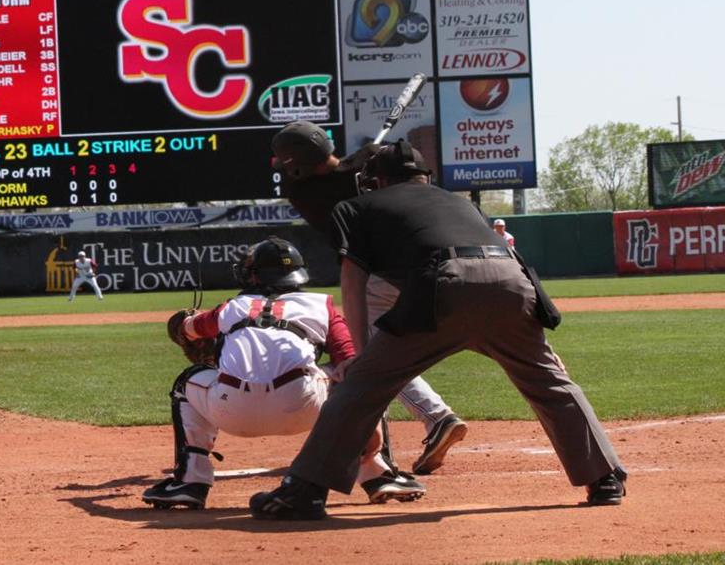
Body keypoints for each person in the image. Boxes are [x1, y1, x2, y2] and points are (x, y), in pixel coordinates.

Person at [250, 142, 627, 520]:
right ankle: (605, 477)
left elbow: (353, 278)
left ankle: (304, 492)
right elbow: (503, 260)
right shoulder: (460, 203)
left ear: (376, 180)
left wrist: (360, 354)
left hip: (445, 285)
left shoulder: (356, 206)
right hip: (512, 282)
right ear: (424, 176)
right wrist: (536, 346)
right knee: (550, 383)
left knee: (360, 389)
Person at [142, 236, 424, 512]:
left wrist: (187, 322)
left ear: (254, 276)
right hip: (303, 406)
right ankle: (378, 473)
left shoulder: (232, 306)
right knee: (359, 376)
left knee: (186, 382)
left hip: (231, 410)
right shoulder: (320, 305)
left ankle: (190, 482)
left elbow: (188, 329)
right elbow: (351, 360)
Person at [272, 121, 466, 475]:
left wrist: (360, 164)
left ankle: (431, 418)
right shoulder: (355, 169)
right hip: (437, 261)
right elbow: (383, 167)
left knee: (377, 353)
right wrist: (367, 160)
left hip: (382, 273)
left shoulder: (305, 193)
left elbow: (334, 173)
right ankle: (428, 419)